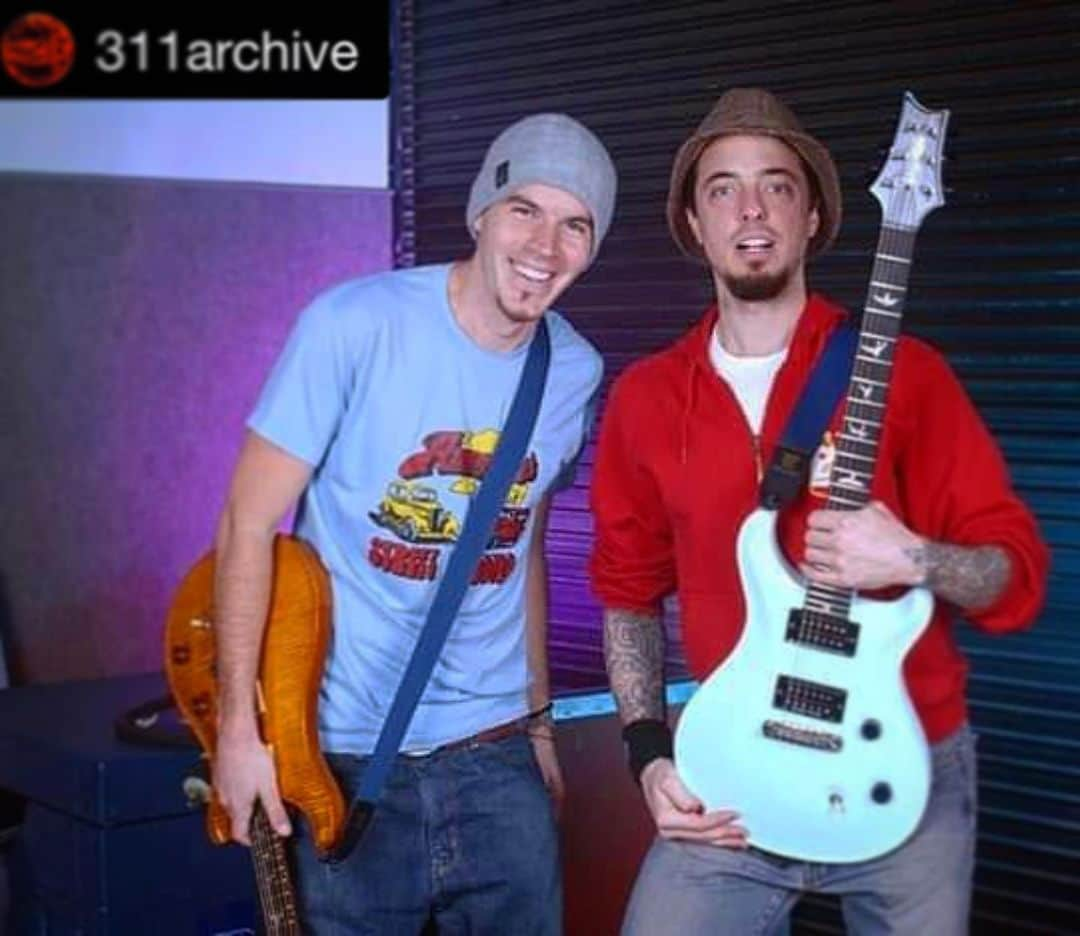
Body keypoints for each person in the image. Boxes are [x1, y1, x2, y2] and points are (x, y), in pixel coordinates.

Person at [589, 87, 1048, 935]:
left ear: (812, 219)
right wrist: (649, 756)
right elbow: (628, 592)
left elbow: (1014, 576)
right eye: (722, 188)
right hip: (730, 776)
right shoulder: (646, 399)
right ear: (694, 222)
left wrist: (914, 560)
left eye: (777, 185)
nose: (751, 209)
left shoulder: (909, 374)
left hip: (903, 770)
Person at [212, 112, 616, 934]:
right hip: (350, 757)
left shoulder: (575, 371)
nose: (546, 245)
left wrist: (537, 721)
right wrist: (238, 734)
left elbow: (525, 536)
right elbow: (247, 524)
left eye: (576, 225)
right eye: (525, 210)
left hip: (496, 758)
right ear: (481, 215)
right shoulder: (354, 325)